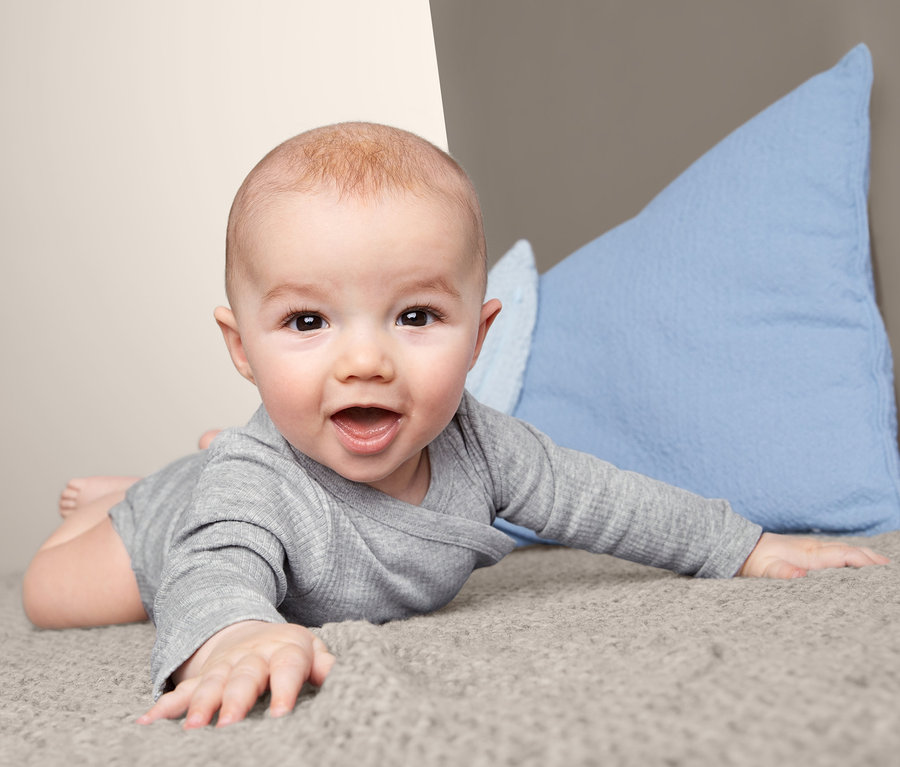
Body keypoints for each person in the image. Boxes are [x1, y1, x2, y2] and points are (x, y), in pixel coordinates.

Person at [22, 122, 889, 730]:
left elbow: (604, 497)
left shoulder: (484, 447)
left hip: (219, 480)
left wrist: (744, 546)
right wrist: (236, 634)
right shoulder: (254, 484)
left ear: (479, 335)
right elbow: (212, 571)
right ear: (241, 346)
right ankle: (128, 498)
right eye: (308, 323)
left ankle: (153, 477)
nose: (364, 362)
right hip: (174, 525)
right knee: (51, 594)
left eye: (414, 316)